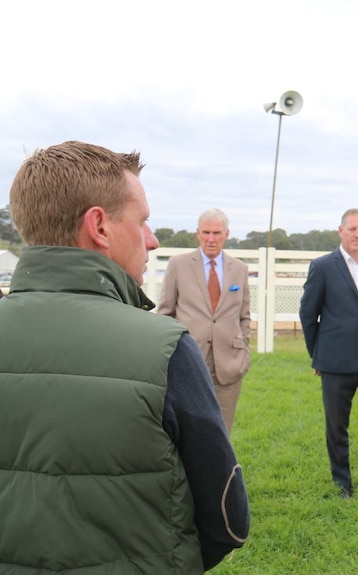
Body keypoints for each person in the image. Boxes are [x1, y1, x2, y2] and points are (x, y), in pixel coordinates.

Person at [0, 141, 249, 573]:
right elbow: (227, 516)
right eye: (143, 221)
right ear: (99, 226)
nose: (151, 240)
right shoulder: (165, 347)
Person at [299, 208, 358, 499]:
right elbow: (308, 314)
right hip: (336, 361)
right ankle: (343, 483)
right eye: (351, 229)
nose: (356, 234)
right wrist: (318, 354)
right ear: (340, 231)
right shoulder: (323, 266)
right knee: (337, 426)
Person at [157, 208, 251, 436]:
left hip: (229, 364)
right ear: (198, 234)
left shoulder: (239, 269)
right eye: (206, 233)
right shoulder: (178, 265)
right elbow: (165, 313)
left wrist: (243, 352)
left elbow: (244, 315)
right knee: (189, 430)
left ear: (226, 234)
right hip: (189, 359)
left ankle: (223, 472)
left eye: (217, 233)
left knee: (222, 431)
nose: (211, 239)